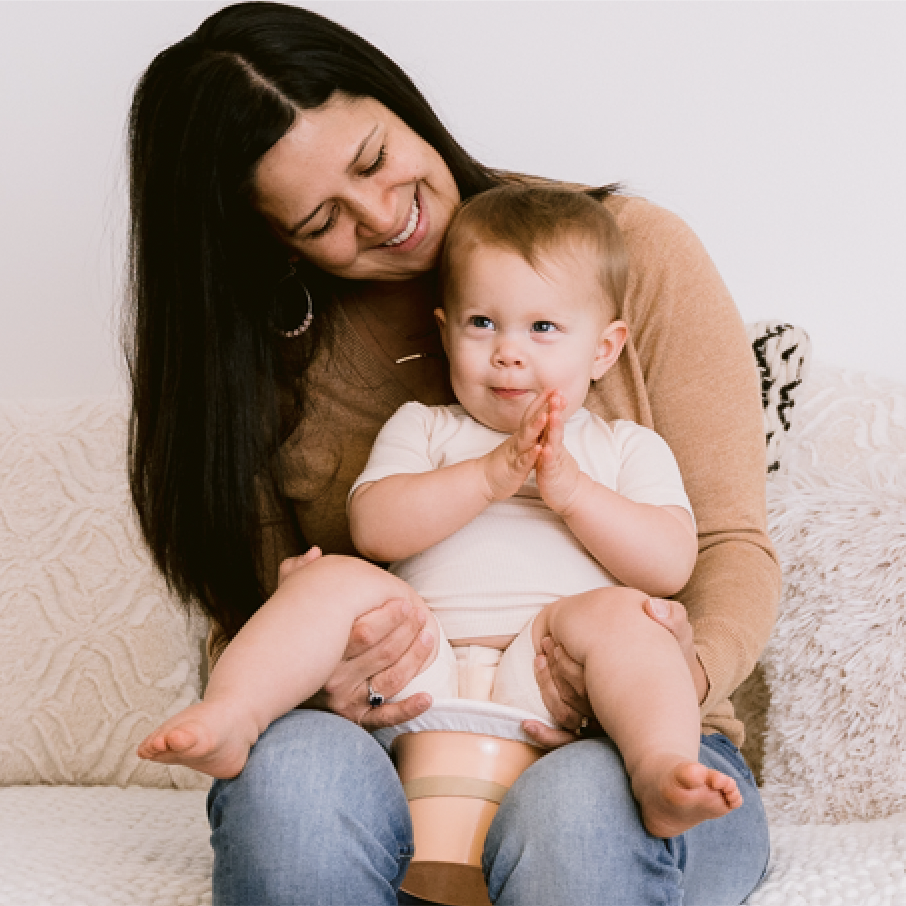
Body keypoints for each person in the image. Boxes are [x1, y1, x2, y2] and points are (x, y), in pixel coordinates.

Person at [127, 3, 777, 903]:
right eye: (323, 220)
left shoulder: (629, 256)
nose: (386, 214)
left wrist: (675, 667)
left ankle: (663, 770)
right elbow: (276, 593)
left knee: (582, 808)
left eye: (375, 159)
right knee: (291, 782)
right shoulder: (271, 371)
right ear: (270, 243)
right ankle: (235, 724)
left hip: (613, 733)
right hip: (405, 722)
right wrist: (323, 684)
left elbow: (726, 550)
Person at [138, 185, 743, 841]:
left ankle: (659, 768)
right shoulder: (425, 429)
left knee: (632, 620)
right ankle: (233, 713)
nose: (509, 351)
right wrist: (488, 477)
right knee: (330, 580)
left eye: (542, 328)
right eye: (482, 324)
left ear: (604, 348)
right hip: (420, 668)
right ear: (445, 330)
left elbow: (672, 560)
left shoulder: (624, 447)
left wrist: (572, 493)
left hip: (555, 676)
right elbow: (373, 525)